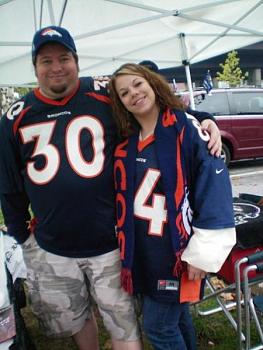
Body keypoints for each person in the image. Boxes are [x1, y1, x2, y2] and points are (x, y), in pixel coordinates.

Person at [0, 26, 221, 350]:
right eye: (46, 60)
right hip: (51, 244)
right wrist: (22, 235)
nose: (56, 66)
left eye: (64, 58)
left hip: (111, 241)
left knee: (123, 320)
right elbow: (8, 182)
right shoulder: (15, 116)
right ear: (35, 66)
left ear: (77, 61)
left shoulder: (104, 92)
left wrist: (199, 116)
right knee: (77, 318)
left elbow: (153, 105)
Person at [109, 63, 236, 350]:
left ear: (152, 82)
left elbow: (213, 188)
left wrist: (204, 252)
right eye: (124, 92)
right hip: (146, 253)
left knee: (158, 328)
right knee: (176, 321)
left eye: (137, 84)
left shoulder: (185, 127)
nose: (134, 94)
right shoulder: (127, 143)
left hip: (178, 255)